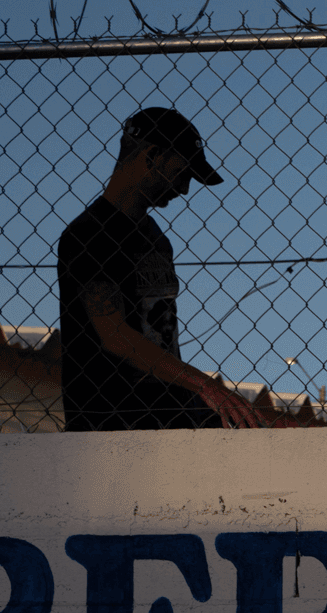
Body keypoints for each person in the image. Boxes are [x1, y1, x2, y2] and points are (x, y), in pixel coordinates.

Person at [57, 107, 266, 431]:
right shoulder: (89, 234)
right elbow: (115, 336)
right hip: (108, 423)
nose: (184, 189)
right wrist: (206, 387)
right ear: (153, 155)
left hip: (167, 418)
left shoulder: (156, 239)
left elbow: (162, 336)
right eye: (182, 173)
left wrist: (193, 404)